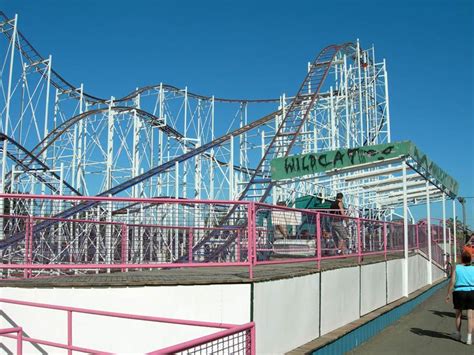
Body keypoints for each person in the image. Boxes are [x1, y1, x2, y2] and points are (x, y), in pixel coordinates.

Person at [446, 250, 474, 344]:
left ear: (461, 259)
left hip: (459, 292)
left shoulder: (456, 268)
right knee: (471, 317)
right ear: (470, 259)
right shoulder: (473, 269)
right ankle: (469, 338)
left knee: (458, 315)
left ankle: (458, 334)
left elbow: (452, 281)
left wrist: (448, 294)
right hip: (471, 292)